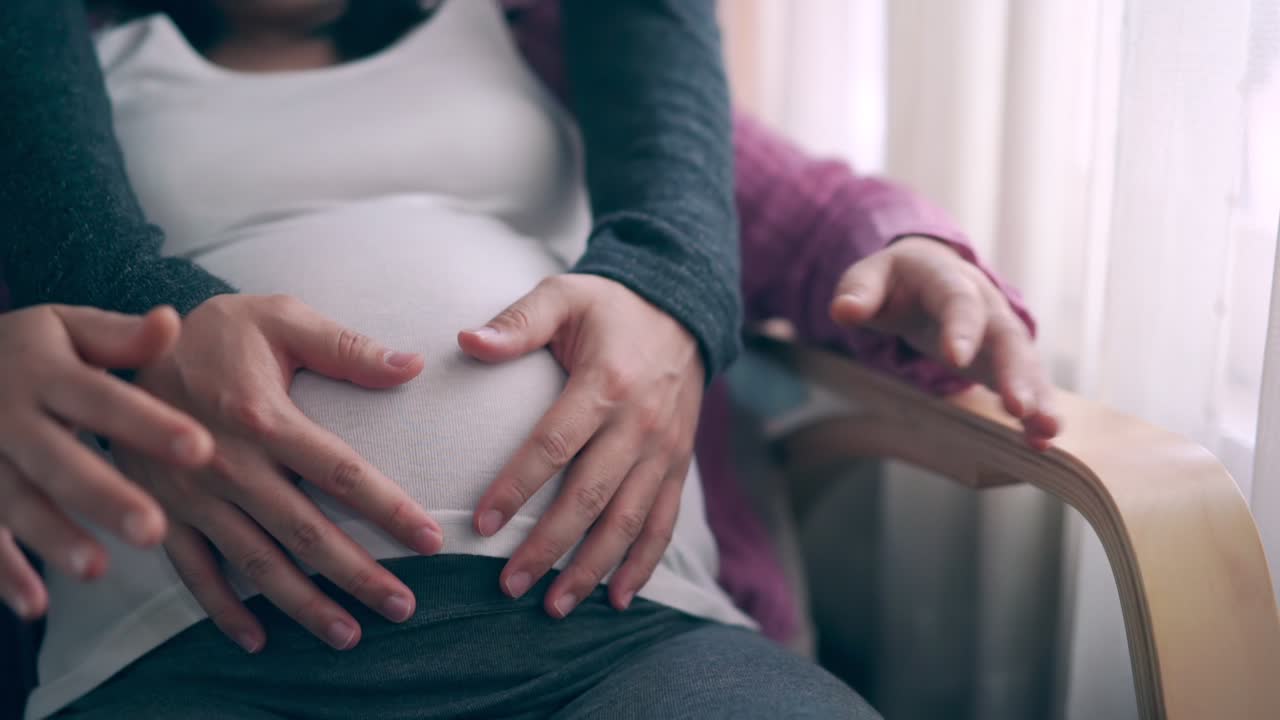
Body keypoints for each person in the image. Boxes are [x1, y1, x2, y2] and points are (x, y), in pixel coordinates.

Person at [0, 1, 1057, 718]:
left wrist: (907, 249)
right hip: (184, 648)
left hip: (617, 632)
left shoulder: (527, 33)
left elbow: (799, 207)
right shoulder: (59, 94)